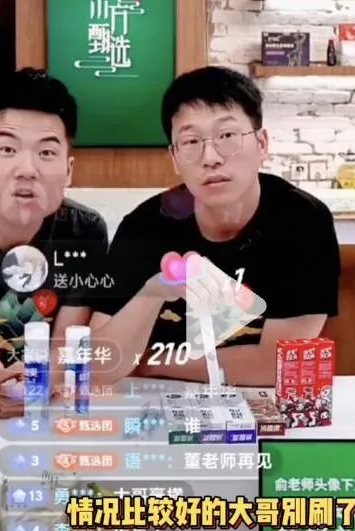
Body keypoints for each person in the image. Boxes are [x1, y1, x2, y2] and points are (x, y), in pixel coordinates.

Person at [90, 66, 340, 387]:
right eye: (191, 141)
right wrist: (154, 291)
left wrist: (144, 361)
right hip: (154, 404)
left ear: (262, 144)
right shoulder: (144, 227)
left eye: (227, 136)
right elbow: (100, 361)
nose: (211, 157)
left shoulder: (302, 221)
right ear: (174, 157)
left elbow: (276, 364)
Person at [0, 68, 108, 397]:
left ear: (68, 170)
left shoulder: (82, 231)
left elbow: (65, 346)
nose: (27, 170)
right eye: (7, 150)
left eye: (47, 153)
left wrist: (42, 381)